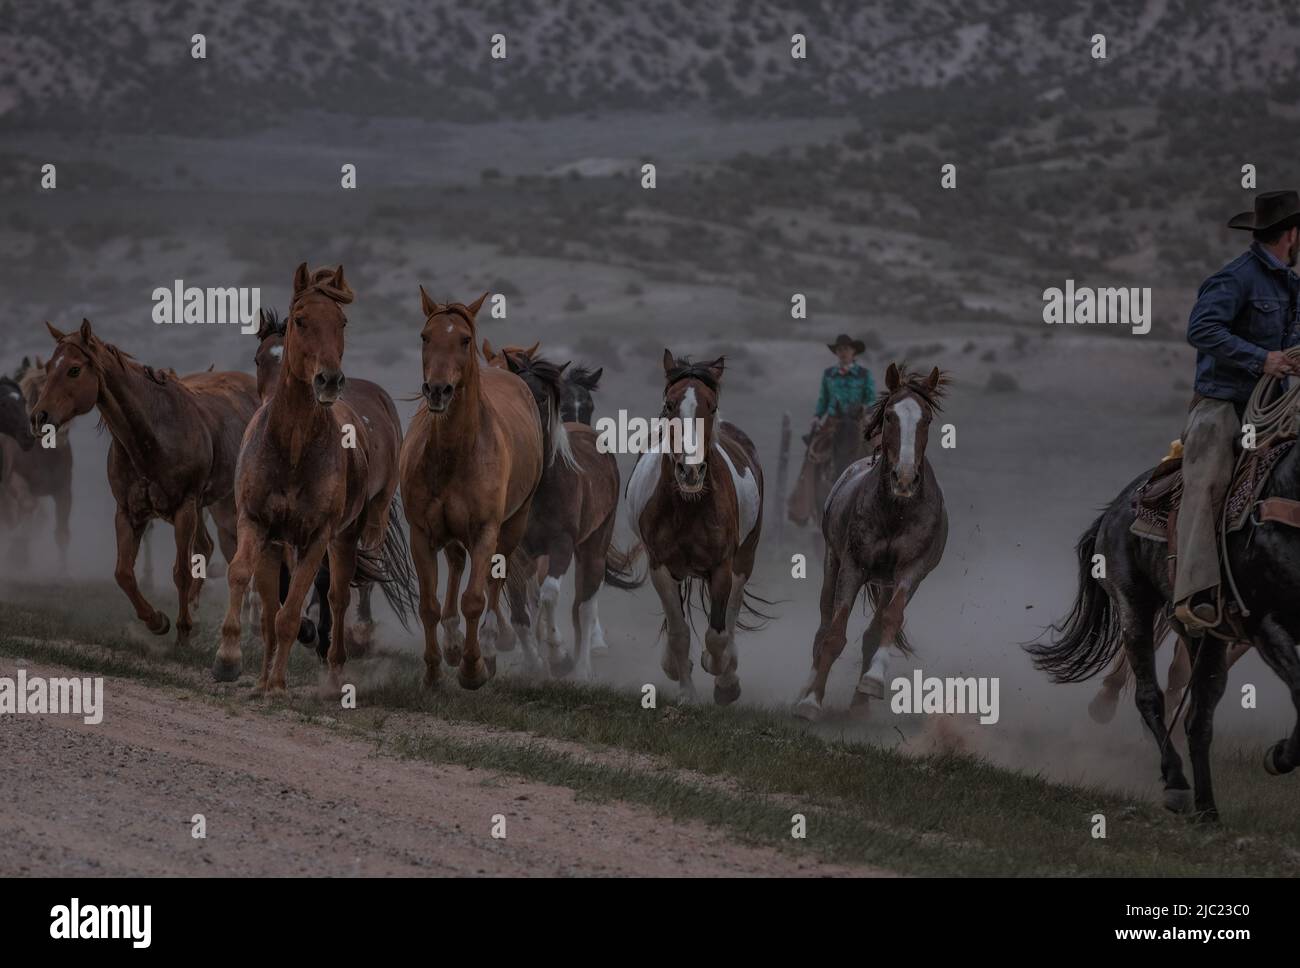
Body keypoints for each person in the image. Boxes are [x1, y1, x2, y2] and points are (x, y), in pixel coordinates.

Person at [1175, 189, 1300, 631]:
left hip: (1273, 407)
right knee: (1206, 479)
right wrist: (1261, 359)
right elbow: (1202, 329)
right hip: (1223, 404)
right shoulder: (1235, 278)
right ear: (1292, 234)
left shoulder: (1291, 283)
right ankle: (1196, 593)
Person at [808, 334, 875, 444]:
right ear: (836, 352)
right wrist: (817, 416)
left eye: (846, 349)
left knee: (874, 447)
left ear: (853, 351)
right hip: (833, 421)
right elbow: (823, 399)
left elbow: (870, 398)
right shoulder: (829, 374)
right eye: (839, 350)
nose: (843, 352)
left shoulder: (864, 374)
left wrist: (868, 412)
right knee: (816, 448)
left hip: (858, 420)